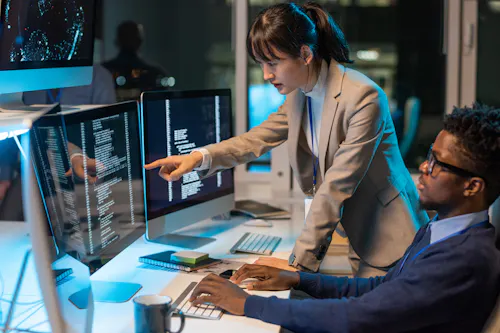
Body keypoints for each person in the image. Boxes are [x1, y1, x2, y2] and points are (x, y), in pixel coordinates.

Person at [145, 2, 427, 277]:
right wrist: (196, 157)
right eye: (261, 64)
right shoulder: (300, 95)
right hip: (358, 232)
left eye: (273, 63)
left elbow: (337, 185)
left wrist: (296, 266)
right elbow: (255, 140)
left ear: (305, 54)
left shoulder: (363, 97)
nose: (266, 75)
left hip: (392, 236)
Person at [189, 103, 500, 333]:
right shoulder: (442, 231)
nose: (424, 168)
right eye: (429, 156)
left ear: (473, 186)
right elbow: (381, 289)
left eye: (438, 164)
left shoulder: (464, 259)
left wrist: (247, 304)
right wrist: (299, 279)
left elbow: (360, 315)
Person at [102, 20, 168, 101]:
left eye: (131, 38)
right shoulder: (155, 73)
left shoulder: (104, 71)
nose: (129, 42)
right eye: (126, 37)